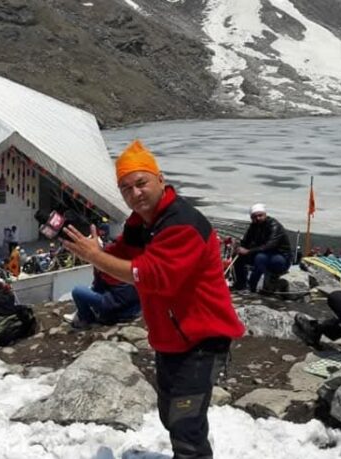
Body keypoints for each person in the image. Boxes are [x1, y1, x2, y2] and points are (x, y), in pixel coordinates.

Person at [61, 140, 245, 459]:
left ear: (160, 179)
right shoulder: (142, 223)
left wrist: (97, 257)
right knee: (170, 414)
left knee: (185, 422)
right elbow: (116, 265)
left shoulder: (182, 224)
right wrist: (96, 254)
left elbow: (149, 276)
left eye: (141, 183)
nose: (135, 194)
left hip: (202, 336)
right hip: (171, 336)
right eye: (126, 188)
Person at [232, 203, 292, 293]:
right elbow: (246, 241)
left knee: (260, 258)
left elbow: (270, 245)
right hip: (264, 254)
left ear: (265, 214)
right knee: (239, 256)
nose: (258, 218)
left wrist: (248, 251)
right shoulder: (254, 226)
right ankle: (241, 284)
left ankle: (252, 286)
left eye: (260, 215)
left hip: (281, 258)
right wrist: (239, 248)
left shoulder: (274, 225)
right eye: (255, 217)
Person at [64, 266, 142, 328]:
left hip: (116, 311)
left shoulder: (104, 268)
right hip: (135, 310)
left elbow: (97, 287)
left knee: (78, 291)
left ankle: (86, 319)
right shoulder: (128, 264)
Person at [0, 280, 36, 352]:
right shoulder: (7, 297)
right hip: (1, 335)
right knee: (24, 316)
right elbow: (9, 310)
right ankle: (25, 334)